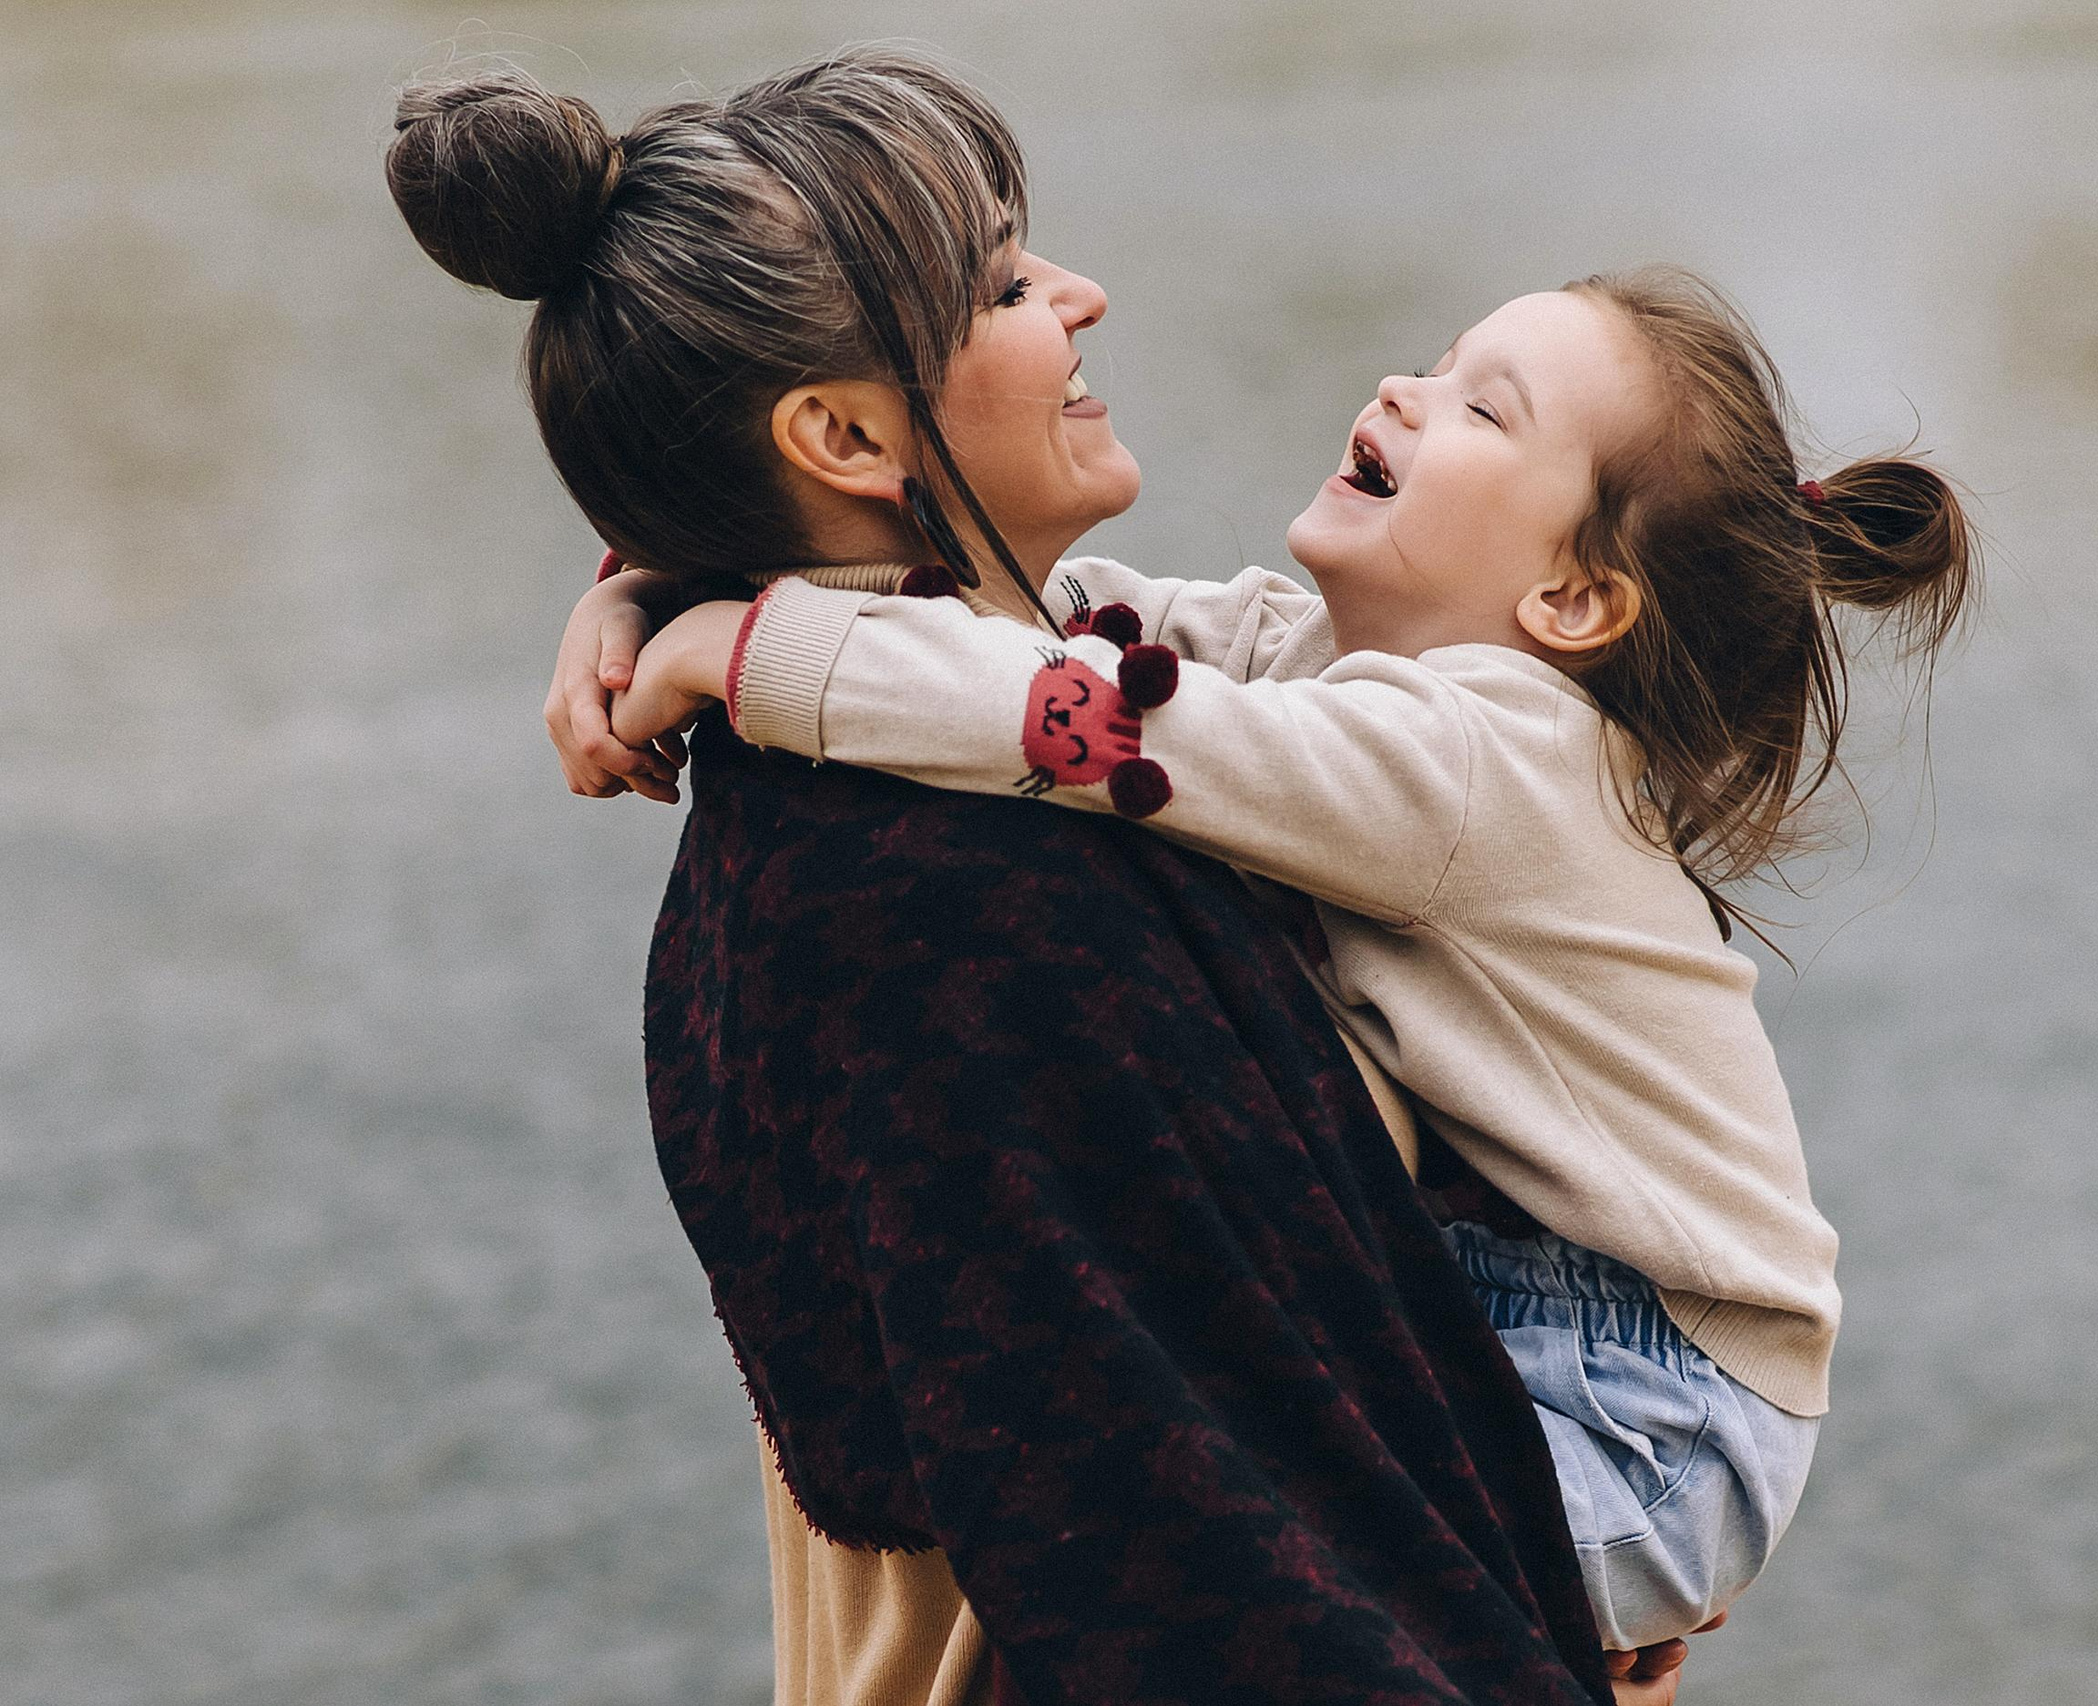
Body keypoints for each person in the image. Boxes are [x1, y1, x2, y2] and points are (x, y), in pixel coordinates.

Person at [391, 47, 1693, 1706]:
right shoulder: (973, 899)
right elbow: (1193, 1556)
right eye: (1005, 285)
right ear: (845, 433)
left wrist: (664, 589)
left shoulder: (896, 775)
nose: (1081, 296)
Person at [600, 269, 1975, 1654]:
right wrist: (663, 590)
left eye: (1482, 409)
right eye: (1438, 362)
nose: (1403, 392)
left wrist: (749, 651)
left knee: (1241, 1569)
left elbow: (1083, 723)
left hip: (1646, 1410)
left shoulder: (1483, 761)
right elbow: (1022, 623)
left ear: (1570, 597)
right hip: (1511, 1311)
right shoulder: (1314, 656)